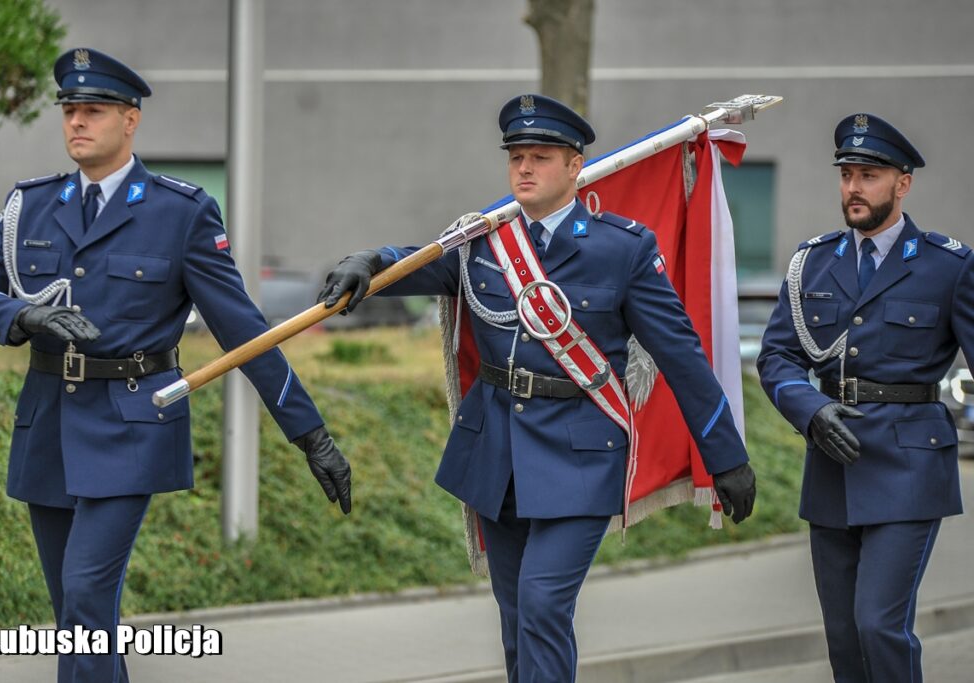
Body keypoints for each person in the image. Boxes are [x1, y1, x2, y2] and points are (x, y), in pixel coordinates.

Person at [318, 93, 756, 683]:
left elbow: (682, 359)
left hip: (581, 453)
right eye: (517, 156)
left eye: (541, 156)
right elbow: (416, 262)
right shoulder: (484, 240)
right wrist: (366, 262)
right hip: (497, 452)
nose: (524, 168)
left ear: (576, 165)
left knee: (545, 603)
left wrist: (725, 456)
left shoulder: (623, 249)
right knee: (517, 614)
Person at [0, 48, 351, 683]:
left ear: (130, 120)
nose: (77, 122)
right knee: (79, 615)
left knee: (84, 596)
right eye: (70, 111)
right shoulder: (30, 205)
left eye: (94, 111)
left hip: (133, 421)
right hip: (48, 424)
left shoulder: (180, 213)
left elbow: (244, 332)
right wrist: (20, 317)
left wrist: (312, 435)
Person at [756, 113, 968, 682]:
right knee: (845, 640)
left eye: (869, 175)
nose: (853, 186)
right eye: (847, 174)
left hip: (909, 466)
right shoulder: (813, 261)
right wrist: (811, 408)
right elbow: (776, 357)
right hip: (832, 461)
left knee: (879, 625)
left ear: (903, 183)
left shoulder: (948, 266)